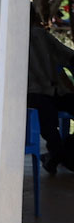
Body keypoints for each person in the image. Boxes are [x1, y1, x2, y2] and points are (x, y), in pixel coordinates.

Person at [26, 11, 74, 173]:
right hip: (40, 92)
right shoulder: (37, 35)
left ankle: (57, 155)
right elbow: (68, 56)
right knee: (49, 123)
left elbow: (67, 56)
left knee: (49, 126)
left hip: (50, 91)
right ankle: (61, 156)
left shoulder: (39, 35)